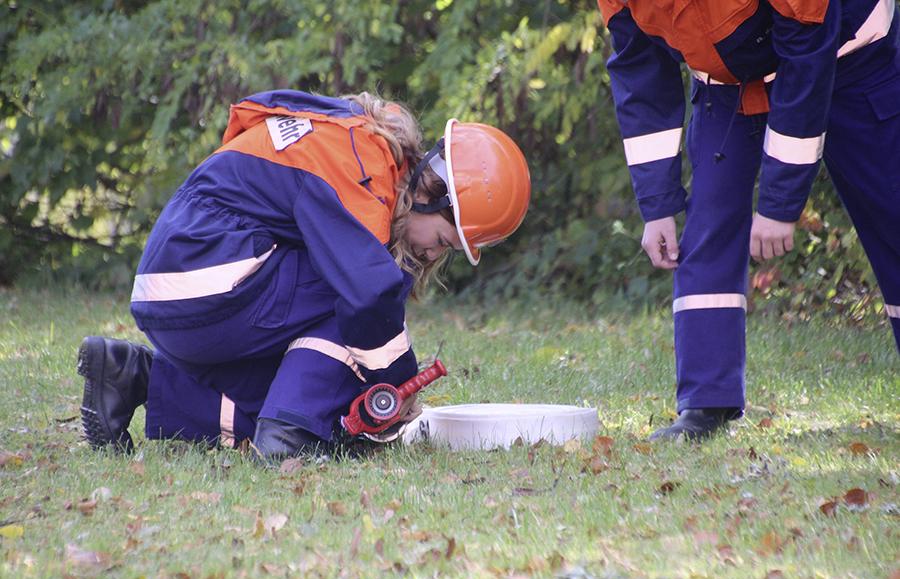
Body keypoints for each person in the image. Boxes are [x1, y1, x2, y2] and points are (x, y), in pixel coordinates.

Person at [77, 89, 530, 460]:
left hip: (181, 285)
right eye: (444, 240)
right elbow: (367, 296)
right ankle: (286, 438)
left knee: (318, 408)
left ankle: (133, 377)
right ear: (432, 191)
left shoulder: (355, 142)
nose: (433, 253)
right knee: (361, 299)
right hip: (209, 273)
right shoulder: (364, 167)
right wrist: (396, 383)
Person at [596, 0, 900, 440]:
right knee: (708, 224)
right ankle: (705, 406)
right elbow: (640, 75)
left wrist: (779, 205)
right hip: (730, 84)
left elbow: (806, 57)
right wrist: (657, 204)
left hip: (848, 58)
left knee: (891, 214)